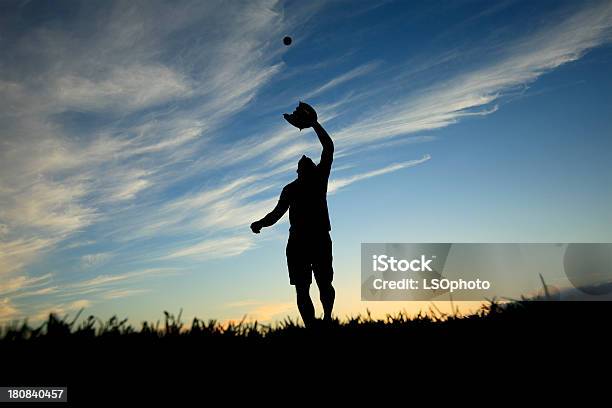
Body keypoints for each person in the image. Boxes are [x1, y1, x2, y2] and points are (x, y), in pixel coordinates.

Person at [250, 102, 335, 327]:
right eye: (303, 163)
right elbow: (277, 213)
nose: (306, 159)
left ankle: (326, 320)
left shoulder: (319, 179)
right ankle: (312, 327)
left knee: (324, 283)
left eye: (308, 161)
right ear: (298, 171)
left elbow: (328, 147)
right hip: (299, 240)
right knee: (302, 287)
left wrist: (315, 124)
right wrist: (260, 223)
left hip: (317, 237)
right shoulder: (292, 188)